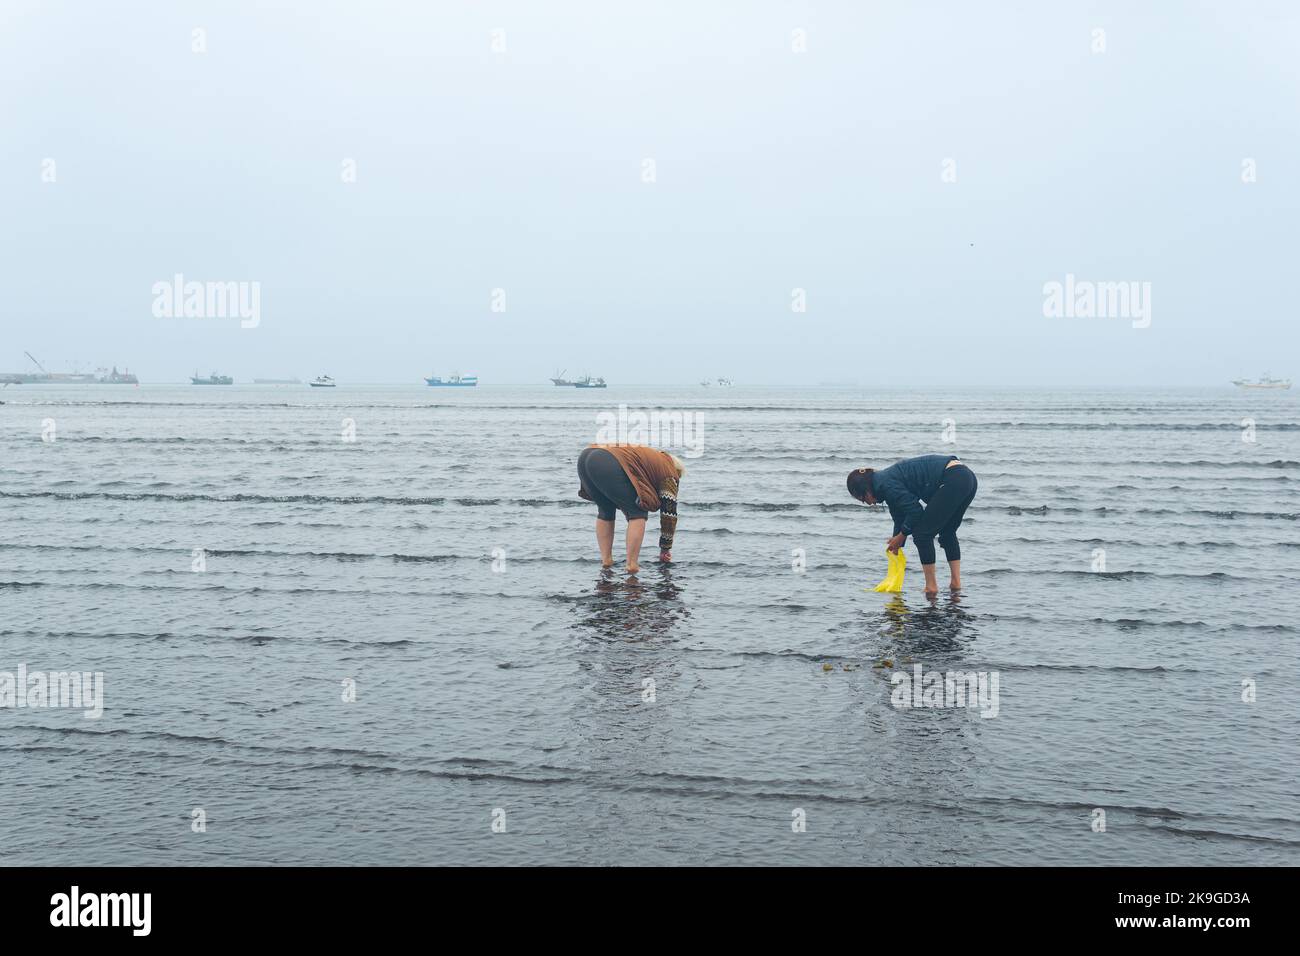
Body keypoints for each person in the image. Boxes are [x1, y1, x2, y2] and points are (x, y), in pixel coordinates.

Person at [846, 454, 977, 595]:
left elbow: (915, 511)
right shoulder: (884, 483)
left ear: (866, 488)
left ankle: (931, 587)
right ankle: (956, 584)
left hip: (953, 479)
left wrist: (902, 536)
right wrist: (897, 543)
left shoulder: (887, 485)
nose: (866, 503)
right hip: (966, 478)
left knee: (922, 535)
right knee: (947, 533)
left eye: (862, 498)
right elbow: (899, 516)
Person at [577, 444, 685, 573]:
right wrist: (665, 549)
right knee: (638, 512)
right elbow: (669, 514)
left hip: (586, 457)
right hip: (607, 460)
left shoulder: (649, 459)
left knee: (606, 509)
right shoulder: (669, 472)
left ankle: (606, 562)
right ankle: (632, 566)